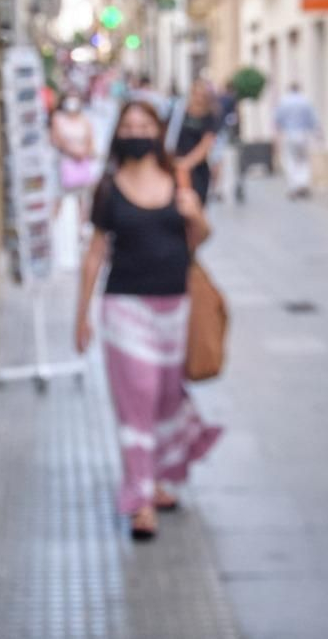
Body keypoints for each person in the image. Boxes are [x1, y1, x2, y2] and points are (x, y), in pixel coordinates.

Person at [75, 101, 221, 541]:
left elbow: (200, 238)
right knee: (137, 396)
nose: (136, 131)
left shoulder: (178, 177)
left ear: (157, 132)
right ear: (118, 134)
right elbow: (95, 253)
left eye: (144, 125)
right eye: (129, 125)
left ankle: (156, 480)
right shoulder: (108, 188)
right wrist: (81, 316)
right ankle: (138, 499)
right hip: (124, 305)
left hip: (174, 303)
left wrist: (195, 214)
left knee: (162, 398)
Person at [172, 80, 221, 205]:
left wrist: (186, 164)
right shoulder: (179, 112)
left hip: (197, 168)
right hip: (175, 163)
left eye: (202, 95)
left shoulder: (210, 116)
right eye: (196, 94)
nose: (198, 98)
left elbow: (206, 144)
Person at [50, 90, 97, 220]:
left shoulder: (85, 119)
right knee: (58, 198)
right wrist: (73, 152)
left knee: (82, 201)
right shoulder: (58, 118)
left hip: (82, 164)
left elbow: (90, 139)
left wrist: (85, 153)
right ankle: (53, 225)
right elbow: (56, 138)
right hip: (63, 163)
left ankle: (81, 231)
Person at [274, 83, 321, 199]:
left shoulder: (284, 101)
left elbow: (277, 119)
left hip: (289, 134)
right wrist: (318, 133)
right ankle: (303, 184)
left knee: (290, 160)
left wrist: (277, 135)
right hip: (303, 134)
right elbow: (313, 119)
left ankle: (293, 186)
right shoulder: (305, 101)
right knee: (304, 160)